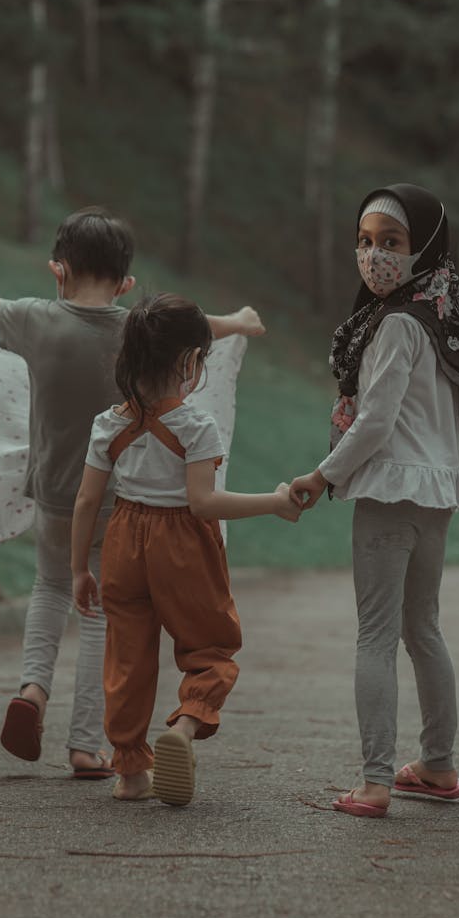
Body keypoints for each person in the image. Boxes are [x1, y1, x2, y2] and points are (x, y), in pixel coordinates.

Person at [0, 207, 266, 779]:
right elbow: (194, 330)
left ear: (58, 270)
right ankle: (84, 744)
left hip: (52, 495)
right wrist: (240, 320)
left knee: (49, 589)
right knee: (104, 617)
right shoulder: (137, 330)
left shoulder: (35, 320)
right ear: (126, 284)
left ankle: (32, 689)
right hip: (121, 505)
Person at [289, 184, 459, 819]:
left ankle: (376, 781)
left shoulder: (399, 324)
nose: (375, 255)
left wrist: (321, 477)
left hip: (387, 489)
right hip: (433, 495)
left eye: (392, 244)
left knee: (376, 634)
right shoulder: (441, 317)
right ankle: (436, 764)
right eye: (366, 242)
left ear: (425, 247)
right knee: (422, 629)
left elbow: (374, 423)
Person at [71, 292, 299, 805]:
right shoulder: (196, 426)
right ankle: (187, 725)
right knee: (210, 647)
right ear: (188, 361)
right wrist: (276, 502)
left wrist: (77, 568)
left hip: (122, 540)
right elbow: (203, 502)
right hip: (181, 545)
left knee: (126, 659)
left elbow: (87, 500)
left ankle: (129, 771)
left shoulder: (108, 423)